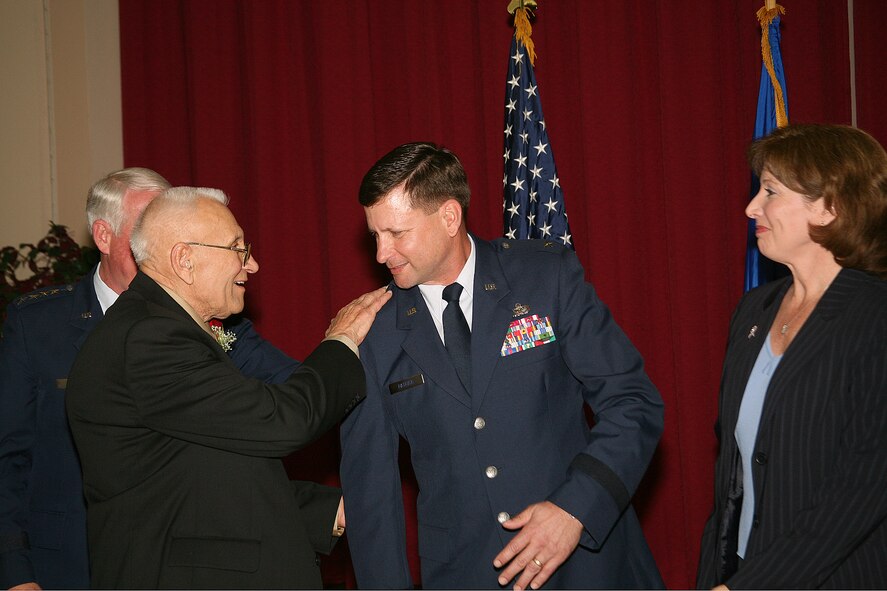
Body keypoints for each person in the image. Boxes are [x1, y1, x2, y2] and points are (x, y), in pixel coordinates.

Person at [339, 142, 665, 590]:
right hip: (468, 575)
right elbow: (370, 495)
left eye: (396, 233)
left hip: (587, 567)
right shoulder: (375, 334)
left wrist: (574, 508)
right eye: (375, 236)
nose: (381, 253)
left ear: (449, 217)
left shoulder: (544, 276)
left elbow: (634, 402)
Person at [65, 186, 389, 589]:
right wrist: (341, 341)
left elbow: (205, 472)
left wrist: (330, 512)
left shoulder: (156, 328)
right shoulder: (149, 338)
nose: (252, 264)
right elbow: (283, 420)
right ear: (184, 260)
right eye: (238, 249)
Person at [0, 168, 298, 590]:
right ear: (103, 236)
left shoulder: (210, 320)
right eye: (146, 227)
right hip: (67, 567)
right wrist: (15, 573)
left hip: (176, 566)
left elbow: (293, 389)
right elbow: (8, 457)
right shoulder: (39, 325)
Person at [696, 124, 887, 589]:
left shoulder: (874, 318)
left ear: (829, 207)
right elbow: (733, 473)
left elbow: (861, 491)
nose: (750, 208)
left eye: (770, 191)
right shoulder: (753, 310)